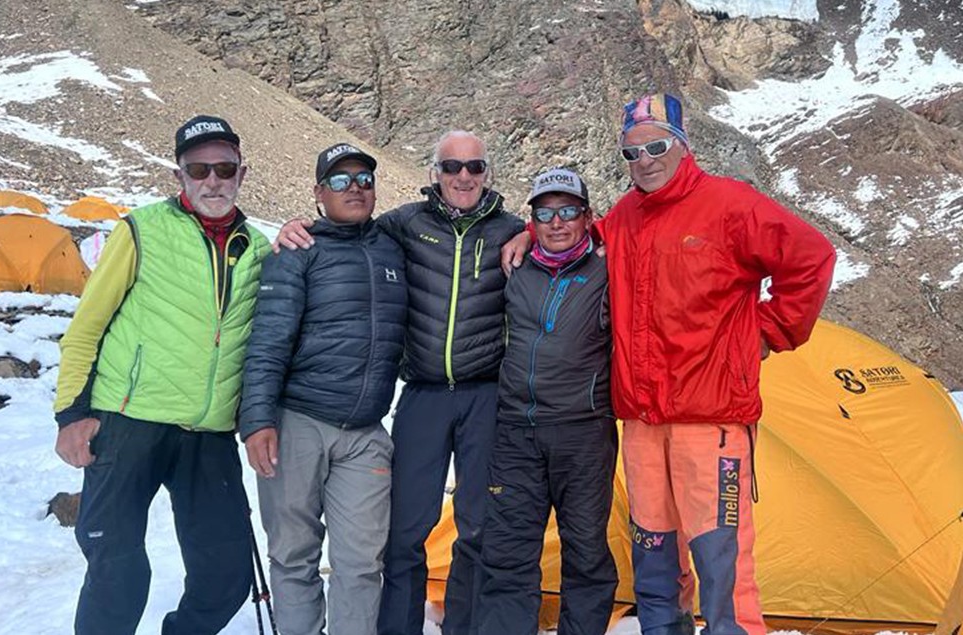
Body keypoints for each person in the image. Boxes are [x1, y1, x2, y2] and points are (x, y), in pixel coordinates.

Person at [504, 93, 836, 635]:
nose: (645, 161)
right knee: (654, 556)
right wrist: (529, 230)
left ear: (683, 145)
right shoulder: (626, 216)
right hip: (641, 421)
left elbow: (811, 257)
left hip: (711, 419)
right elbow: (576, 238)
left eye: (656, 146)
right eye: (631, 153)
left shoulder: (731, 204)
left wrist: (770, 333)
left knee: (721, 561)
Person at [275, 130, 525, 635]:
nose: (463, 177)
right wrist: (295, 227)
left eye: (474, 167)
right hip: (423, 395)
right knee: (405, 530)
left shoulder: (511, 229)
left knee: (477, 526)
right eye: (452, 167)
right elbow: (347, 227)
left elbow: (568, 234)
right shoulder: (403, 224)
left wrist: (531, 235)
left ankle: (462, 627)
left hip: (484, 396)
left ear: (487, 173)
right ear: (434, 173)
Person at [54, 115, 270, 635]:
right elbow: (87, 326)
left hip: (209, 434)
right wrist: (71, 413)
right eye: (199, 169)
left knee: (226, 574)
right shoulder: (141, 229)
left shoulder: (260, 250)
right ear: (181, 177)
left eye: (224, 168)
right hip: (129, 423)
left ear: (242, 175)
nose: (212, 180)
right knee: (116, 570)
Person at [238, 142, 408, 635]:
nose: (353, 188)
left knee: (362, 562)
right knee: (294, 555)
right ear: (318, 193)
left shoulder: (392, 246)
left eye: (363, 180)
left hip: (365, 431)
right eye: (339, 180)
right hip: (298, 424)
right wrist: (258, 421)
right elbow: (268, 341)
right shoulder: (297, 251)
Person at [477, 168, 618, 635]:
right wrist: (520, 235)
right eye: (544, 213)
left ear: (588, 217)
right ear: (531, 220)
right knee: (508, 550)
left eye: (568, 211)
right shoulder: (515, 267)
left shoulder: (608, 267)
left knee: (585, 550)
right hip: (516, 430)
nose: (557, 223)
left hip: (583, 431)